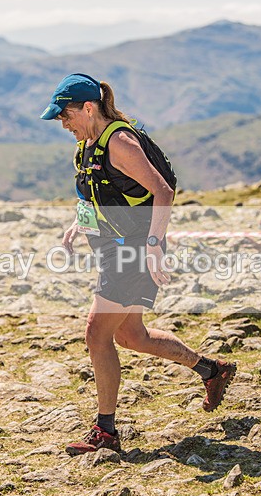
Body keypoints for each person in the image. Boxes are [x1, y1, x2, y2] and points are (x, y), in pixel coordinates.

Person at [40, 73, 237, 455]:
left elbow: (163, 190)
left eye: (65, 115)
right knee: (132, 337)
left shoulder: (120, 142)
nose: (63, 124)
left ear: (88, 107)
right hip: (113, 247)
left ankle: (105, 433)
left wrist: (153, 244)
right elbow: (99, 195)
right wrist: (77, 225)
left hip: (133, 250)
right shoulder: (86, 147)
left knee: (97, 334)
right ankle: (212, 370)